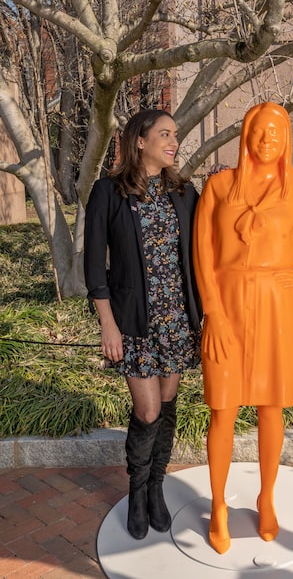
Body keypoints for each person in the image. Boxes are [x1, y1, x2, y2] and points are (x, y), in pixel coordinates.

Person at [192, 102, 293, 554]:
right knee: (222, 408)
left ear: (287, 140)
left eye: (276, 132)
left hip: (277, 305)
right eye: (260, 130)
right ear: (246, 135)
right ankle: (218, 504)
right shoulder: (219, 187)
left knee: (270, 407)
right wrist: (214, 314)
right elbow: (202, 255)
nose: (267, 139)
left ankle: (266, 497)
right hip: (227, 307)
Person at [84, 109, 202, 540]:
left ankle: (157, 487)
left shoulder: (185, 192)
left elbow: (203, 249)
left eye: (175, 135)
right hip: (134, 323)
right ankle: (136, 491)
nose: (174, 142)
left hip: (176, 318)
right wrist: (107, 325)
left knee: (167, 405)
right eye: (165, 134)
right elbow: (95, 264)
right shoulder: (108, 192)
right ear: (140, 140)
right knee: (147, 409)